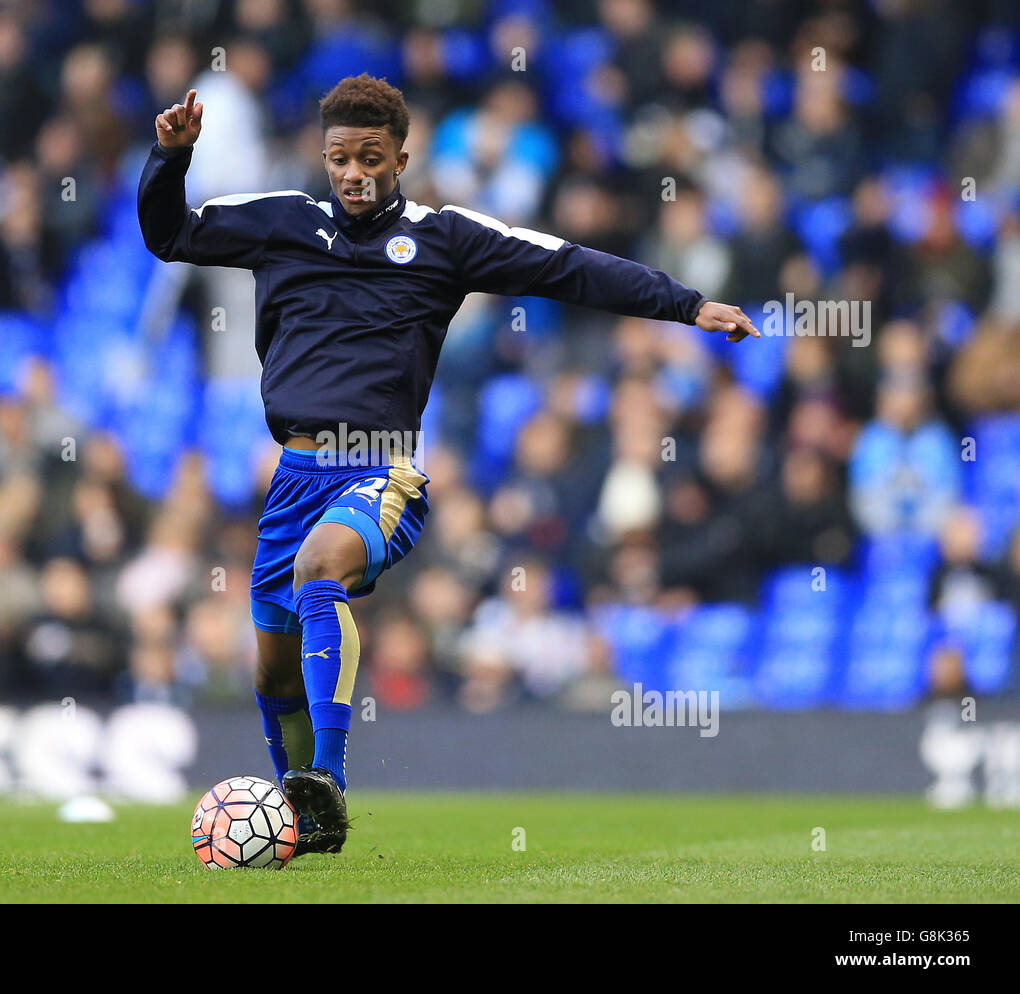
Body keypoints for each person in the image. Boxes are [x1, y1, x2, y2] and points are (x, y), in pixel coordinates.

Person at [137, 74, 759, 857]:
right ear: (323, 158)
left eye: (370, 157)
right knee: (270, 673)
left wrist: (684, 303)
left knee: (321, 568)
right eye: (339, 158)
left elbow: (565, 265)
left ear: (402, 156)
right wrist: (170, 159)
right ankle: (308, 830)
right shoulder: (280, 223)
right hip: (293, 474)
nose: (353, 173)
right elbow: (170, 234)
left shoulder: (446, 237)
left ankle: (324, 779)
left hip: (381, 470)